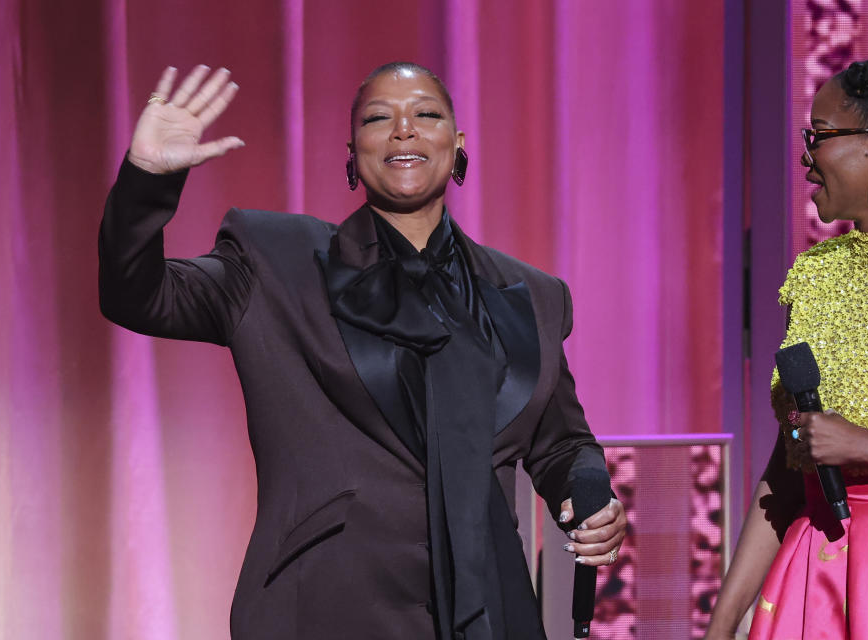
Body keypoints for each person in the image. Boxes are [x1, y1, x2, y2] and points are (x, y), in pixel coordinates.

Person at [99, 61, 626, 640]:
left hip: (488, 612)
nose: (404, 129)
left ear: (457, 143)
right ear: (353, 151)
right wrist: (145, 182)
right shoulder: (276, 261)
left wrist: (586, 491)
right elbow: (137, 296)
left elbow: (563, 442)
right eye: (380, 118)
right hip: (326, 609)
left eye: (426, 114)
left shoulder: (531, 297)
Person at [706, 59, 868, 640]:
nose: (806, 158)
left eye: (820, 136)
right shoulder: (812, 277)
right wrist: (724, 618)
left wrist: (864, 445)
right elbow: (789, 461)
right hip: (816, 570)